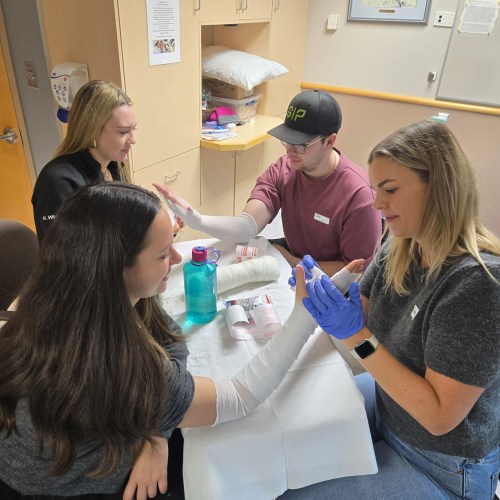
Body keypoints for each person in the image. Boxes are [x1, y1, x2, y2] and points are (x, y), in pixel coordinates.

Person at [0, 182, 362, 498]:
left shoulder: (62, 295)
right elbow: (240, 397)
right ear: (117, 267)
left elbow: (166, 334)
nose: (175, 259)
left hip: (41, 455)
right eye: (162, 254)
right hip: (57, 488)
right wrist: (303, 314)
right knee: (224, 462)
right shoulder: (115, 365)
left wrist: (157, 424)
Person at [281, 120, 500, 499]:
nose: (376, 203)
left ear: (439, 187)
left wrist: (355, 336)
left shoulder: (478, 285)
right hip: (390, 409)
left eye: (391, 190)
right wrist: (329, 293)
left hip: (440, 460)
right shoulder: (401, 245)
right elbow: (360, 320)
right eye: (374, 189)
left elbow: (438, 417)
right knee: (283, 447)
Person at [154, 89, 382, 277]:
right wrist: (198, 220)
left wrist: (294, 262)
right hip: (291, 260)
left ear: (329, 141)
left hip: (331, 283)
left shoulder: (358, 196)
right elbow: (246, 228)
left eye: (301, 144)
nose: (290, 150)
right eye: (287, 140)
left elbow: (355, 271)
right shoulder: (284, 169)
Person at [31, 80, 135, 241]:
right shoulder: (57, 183)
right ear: (92, 130)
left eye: (133, 129)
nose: (132, 140)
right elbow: (67, 256)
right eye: (123, 132)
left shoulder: (114, 167)